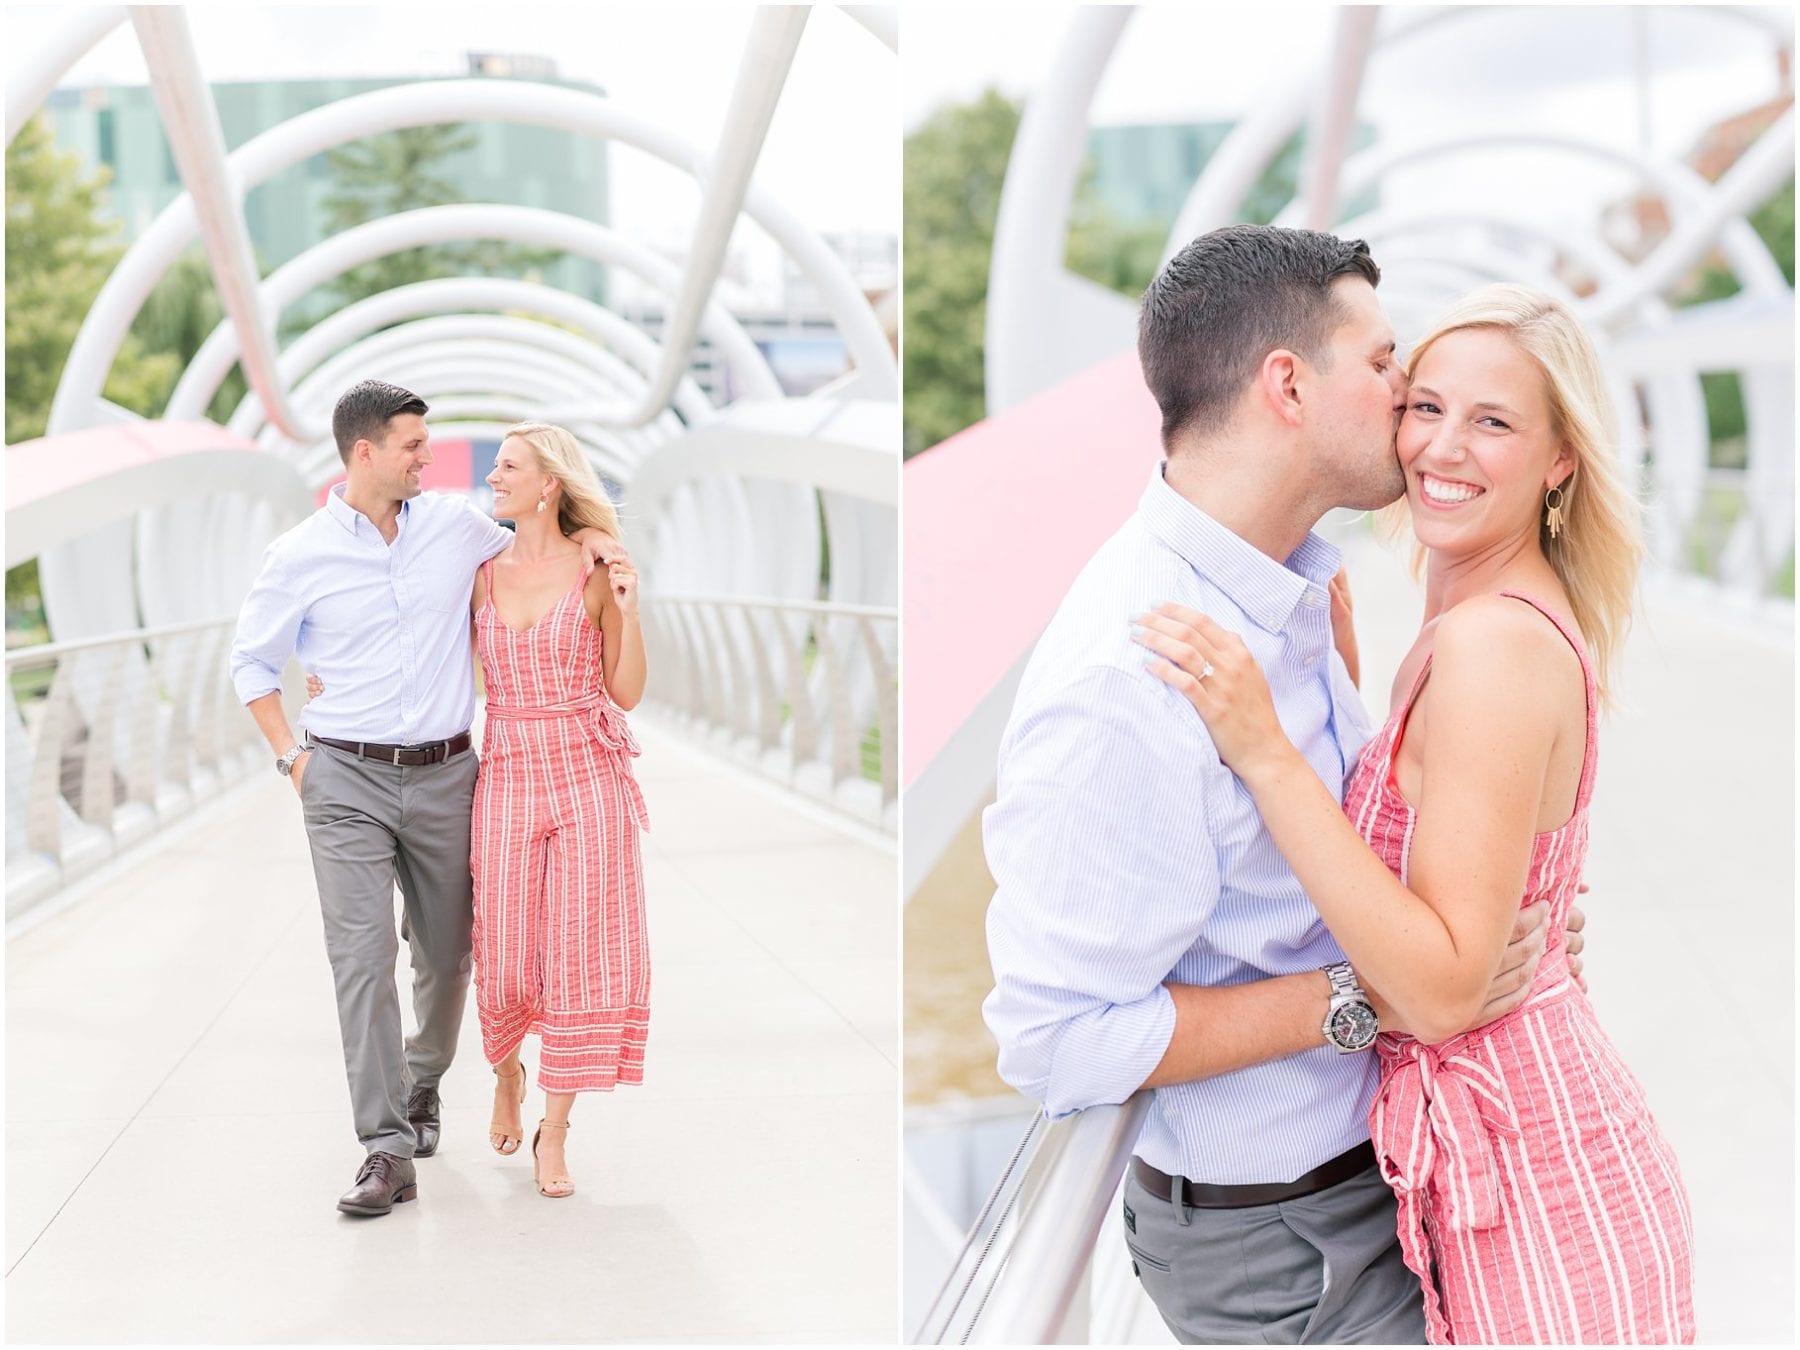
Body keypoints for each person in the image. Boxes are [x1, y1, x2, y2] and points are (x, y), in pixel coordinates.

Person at [980, 226, 1585, 1344]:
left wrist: (1506, 925)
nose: (1408, 396)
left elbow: (1342, 873)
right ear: (1290, 385)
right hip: (1285, 1251)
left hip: (1381, 1186)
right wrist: (1363, 1002)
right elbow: (1055, 1040)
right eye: (1385, 362)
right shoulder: (1133, 674)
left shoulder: (1288, 596)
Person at [1133, 284, 1694, 1342]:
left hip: (1539, 1193)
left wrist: (1264, 748)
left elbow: (1438, 994)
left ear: (1560, 459)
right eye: (1424, 404)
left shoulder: (1493, 643)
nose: (1442, 445)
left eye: (1493, 422)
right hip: (1494, 1174)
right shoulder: (1463, 610)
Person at [230, 381, 618, 1217]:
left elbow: (543, 537)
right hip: (342, 777)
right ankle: (384, 1148)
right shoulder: (297, 554)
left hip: (449, 775)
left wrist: (601, 556)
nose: (428, 459)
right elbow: (252, 665)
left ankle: (423, 1081)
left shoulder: (455, 527)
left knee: (446, 956)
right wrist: (291, 759)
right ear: (364, 452)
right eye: (412, 445)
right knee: (360, 957)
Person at [468, 422, 650, 1200]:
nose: (492, 479)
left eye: (507, 468)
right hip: (507, 769)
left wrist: (630, 607)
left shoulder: (597, 568)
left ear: (549, 484)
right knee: (504, 951)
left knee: (579, 956)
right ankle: (507, 1071)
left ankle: (557, 1128)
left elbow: (628, 691)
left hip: (586, 772)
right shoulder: (479, 571)